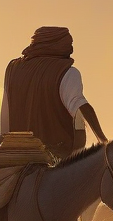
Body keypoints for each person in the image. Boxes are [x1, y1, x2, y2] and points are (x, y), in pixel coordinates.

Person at [1, 26, 107, 159]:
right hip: (55, 160)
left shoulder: (13, 70)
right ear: (55, 44)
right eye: (68, 44)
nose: (71, 50)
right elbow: (79, 107)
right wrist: (103, 139)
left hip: (17, 159)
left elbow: (4, 119)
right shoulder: (67, 72)